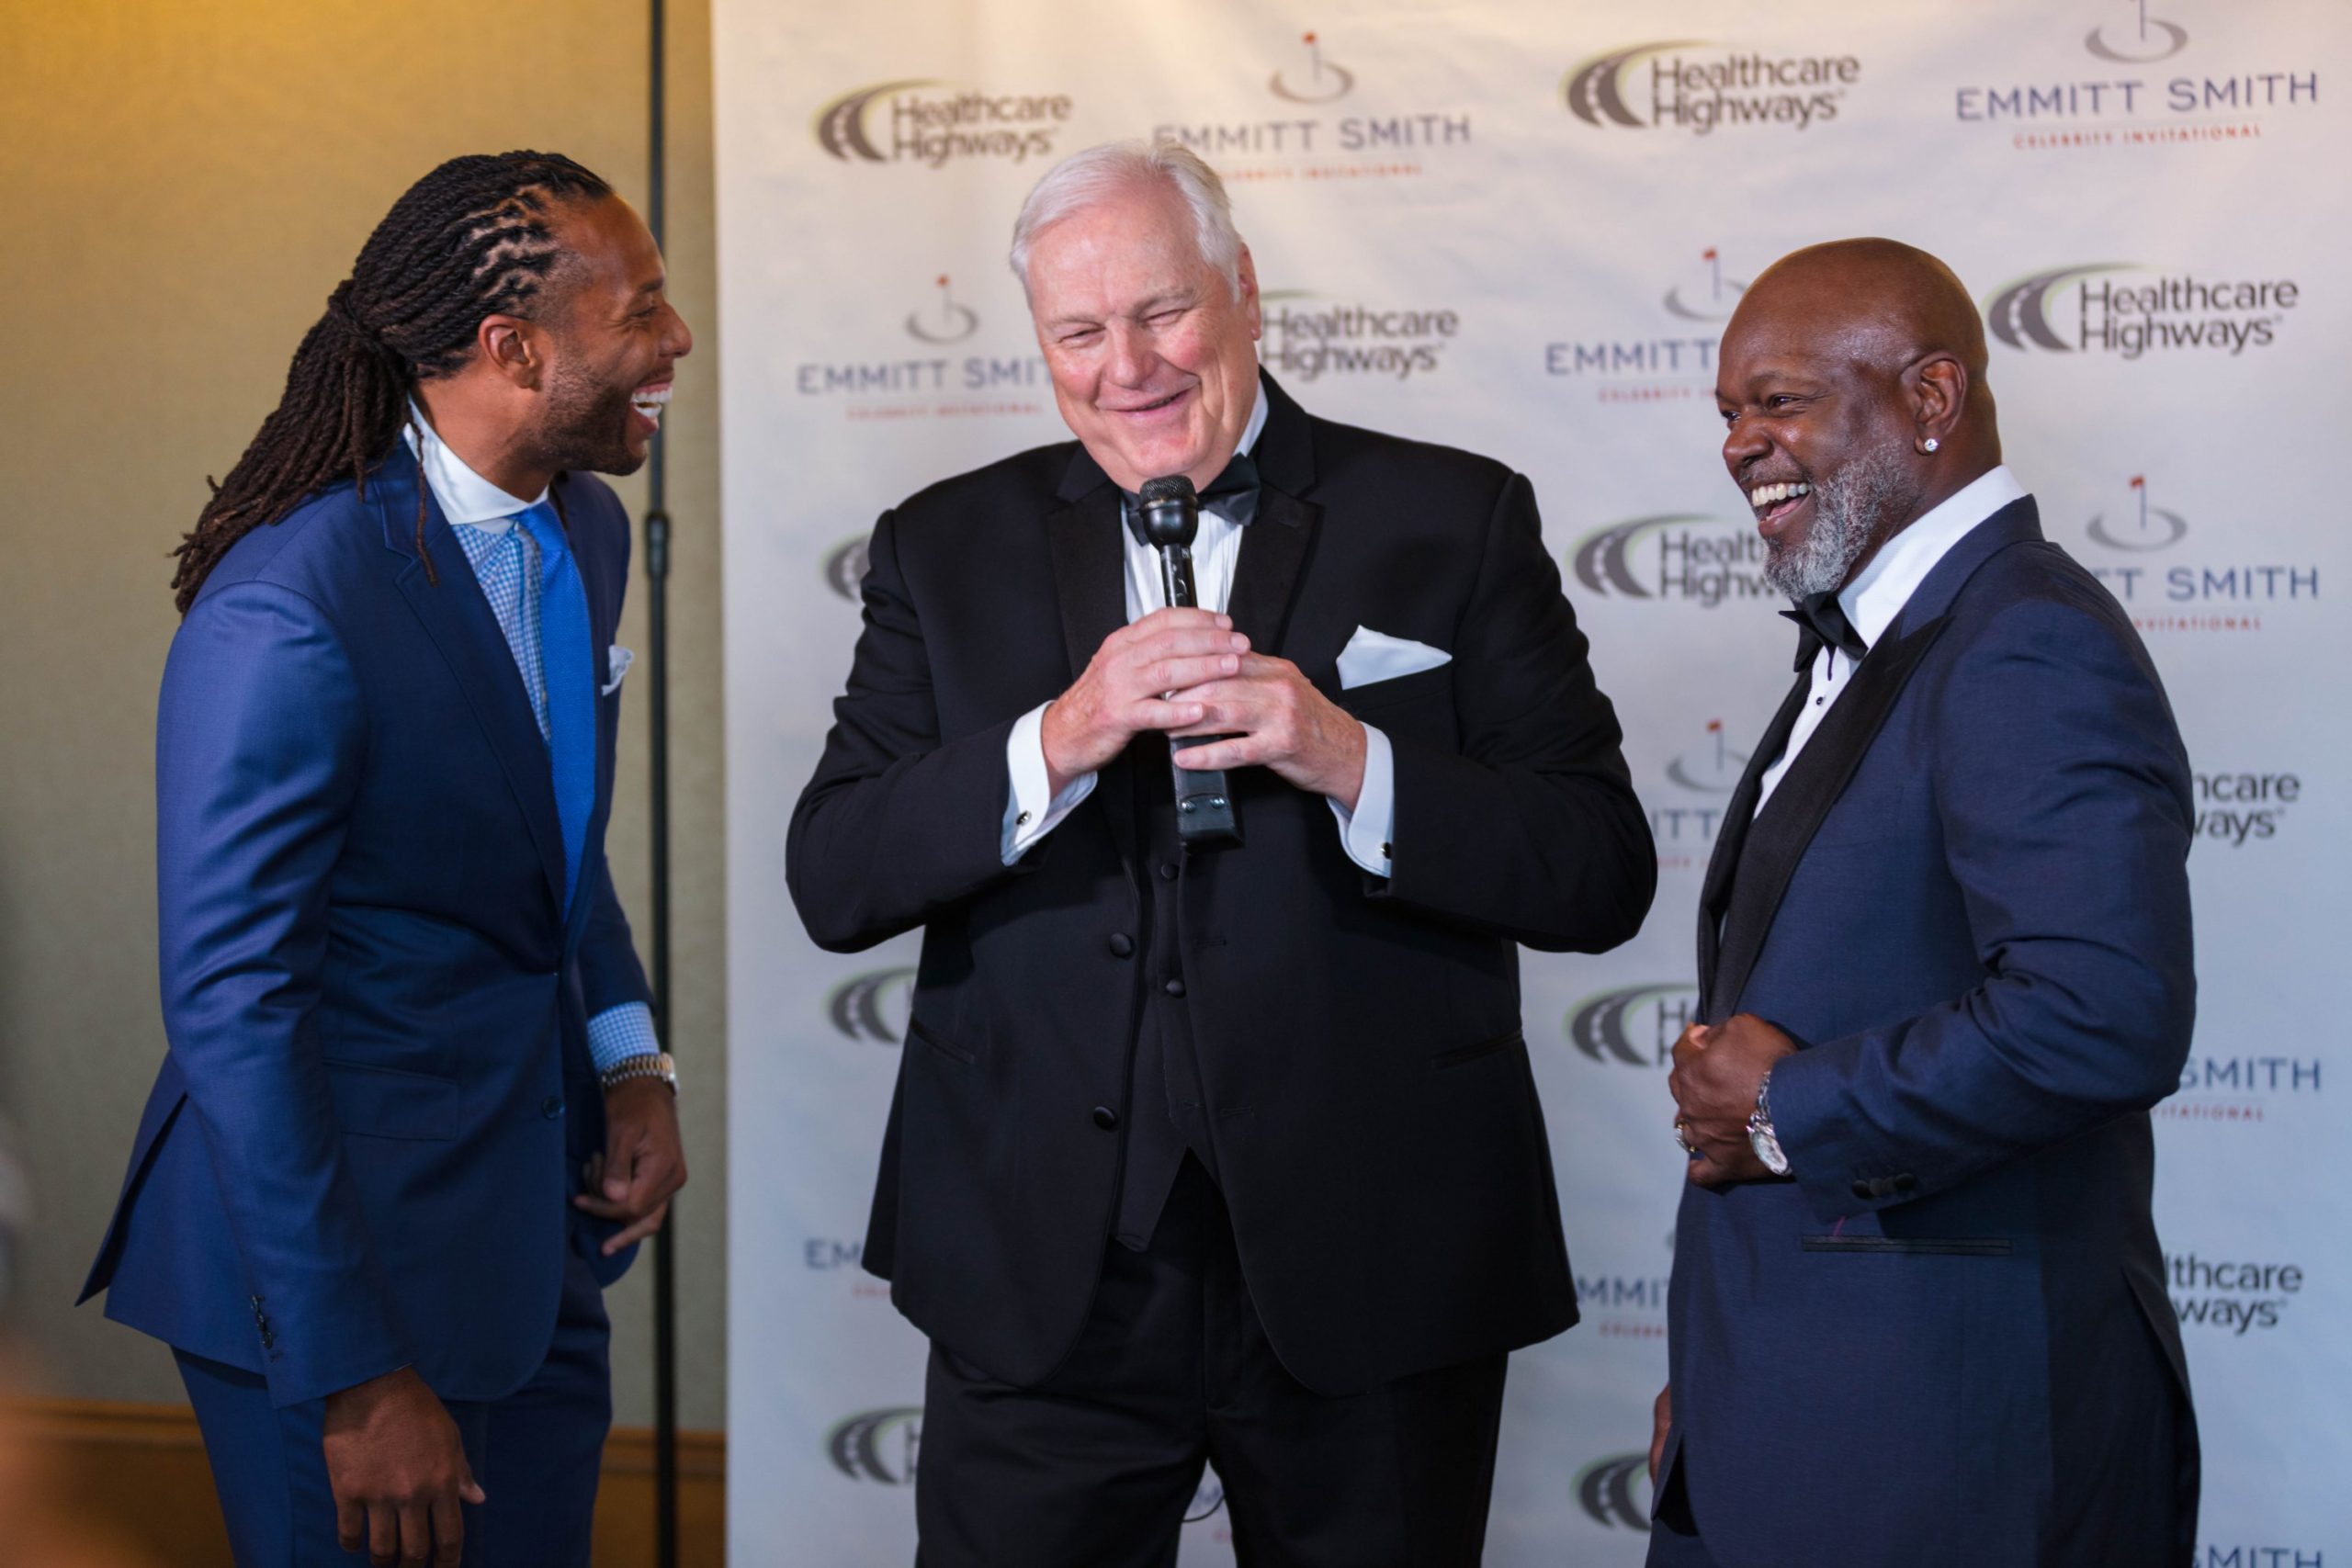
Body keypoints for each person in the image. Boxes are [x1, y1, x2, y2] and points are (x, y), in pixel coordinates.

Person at [790, 139, 1653, 1566]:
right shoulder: (942, 544)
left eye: (1163, 311)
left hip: (1376, 1261)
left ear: (1244, 287)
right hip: (1040, 1273)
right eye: (1079, 331)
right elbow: (835, 874)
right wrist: (1058, 737)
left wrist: (1348, 756)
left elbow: (1599, 865)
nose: (1126, 366)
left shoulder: (1456, 517)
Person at [79, 151, 692, 1567]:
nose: (675, 340)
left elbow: (558, 846)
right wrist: (352, 1371)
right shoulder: (289, 606)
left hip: (530, 1246)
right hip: (331, 1287)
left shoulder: (585, 528)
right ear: (512, 348)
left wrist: (629, 1059)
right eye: (639, 312)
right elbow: (235, 1004)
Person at [1650, 239, 2198, 1567]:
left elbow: (2102, 1014)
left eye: (1779, 401)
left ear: (1931, 399)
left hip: (1952, 1443)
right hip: (1796, 1413)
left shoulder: (2025, 638)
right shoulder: (1886, 638)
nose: (1740, 444)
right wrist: (1720, 1383)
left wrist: (1787, 1107)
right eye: (1729, 412)